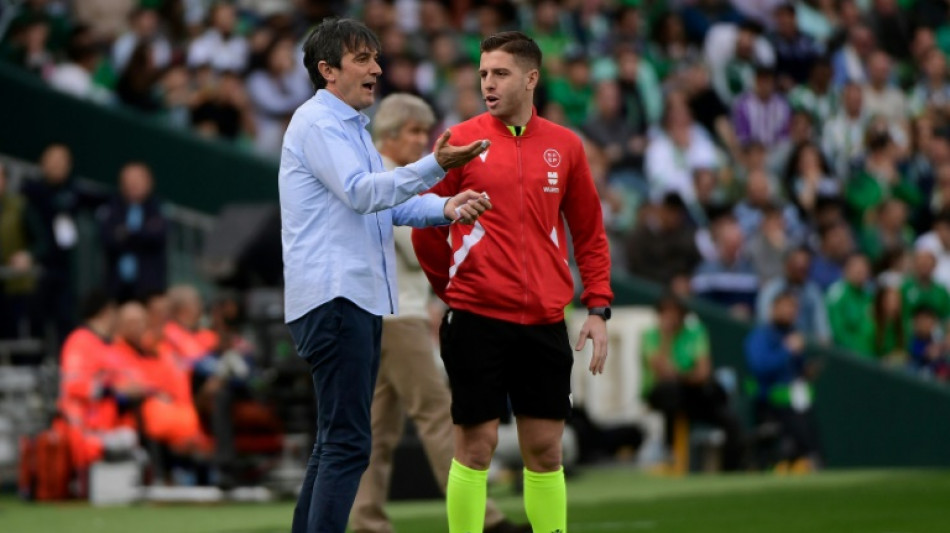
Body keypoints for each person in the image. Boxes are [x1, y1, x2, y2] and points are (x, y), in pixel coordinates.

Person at [279, 18, 491, 533]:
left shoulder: (346, 125)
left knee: (336, 440)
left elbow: (384, 205)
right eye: (361, 59)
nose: (377, 67)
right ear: (327, 71)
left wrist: (446, 208)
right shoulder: (319, 123)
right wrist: (434, 166)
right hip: (338, 298)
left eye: (376, 57)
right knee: (350, 442)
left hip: (350, 299)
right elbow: (363, 193)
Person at [412, 31, 612, 533]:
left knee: (546, 452)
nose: (487, 83)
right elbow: (426, 225)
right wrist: (454, 291)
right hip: (476, 319)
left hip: (544, 322)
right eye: (482, 74)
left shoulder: (565, 146)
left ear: (531, 77)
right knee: (475, 449)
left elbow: (589, 233)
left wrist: (598, 307)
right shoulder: (458, 140)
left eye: (499, 73)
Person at [349, 93, 527, 533]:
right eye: (413, 131)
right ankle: (483, 519)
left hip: (381, 313)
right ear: (389, 135)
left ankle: (367, 521)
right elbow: (414, 249)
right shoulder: (389, 180)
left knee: (377, 430)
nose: (422, 141)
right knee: (437, 414)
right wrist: (444, 215)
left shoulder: (378, 176)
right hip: (398, 315)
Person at [640, 294, 745, 471]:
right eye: (666, 313)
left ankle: (731, 470)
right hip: (662, 395)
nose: (670, 318)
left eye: (674, 313)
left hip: (692, 395)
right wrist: (667, 337)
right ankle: (670, 452)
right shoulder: (650, 336)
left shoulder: (696, 332)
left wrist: (681, 375)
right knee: (670, 392)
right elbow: (662, 372)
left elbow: (703, 372)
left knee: (730, 419)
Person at [745, 291, 820, 471]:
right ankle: (806, 459)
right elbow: (760, 367)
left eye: (793, 308)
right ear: (774, 309)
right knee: (796, 422)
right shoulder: (760, 336)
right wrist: (787, 350)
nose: (790, 312)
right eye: (786, 307)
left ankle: (810, 460)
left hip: (794, 401)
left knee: (806, 422)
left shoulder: (794, 335)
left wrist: (806, 371)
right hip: (768, 402)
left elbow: (796, 372)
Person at [98, 162, 168, 304]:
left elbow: (157, 236)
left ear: (149, 182)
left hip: (149, 288)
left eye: (138, 180)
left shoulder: (158, 208)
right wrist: (141, 234)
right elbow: (107, 238)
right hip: (117, 288)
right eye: (128, 181)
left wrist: (127, 234)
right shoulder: (113, 208)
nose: (133, 185)